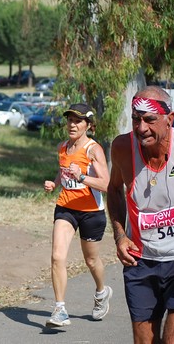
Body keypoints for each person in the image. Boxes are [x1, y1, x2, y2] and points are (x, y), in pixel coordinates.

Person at [107, 85, 174, 343]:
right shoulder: (122, 148)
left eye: (150, 119)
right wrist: (119, 236)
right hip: (140, 260)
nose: (141, 128)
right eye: (136, 119)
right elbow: (114, 190)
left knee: (172, 340)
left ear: (169, 118)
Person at [44, 103, 112, 327]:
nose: (72, 124)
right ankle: (60, 309)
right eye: (70, 120)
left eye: (78, 121)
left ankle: (102, 292)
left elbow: (105, 184)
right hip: (66, 207)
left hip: (91, 212)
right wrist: (54, 183)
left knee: (91, 260)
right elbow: (63, 170)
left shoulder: (94, 150)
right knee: (57, 256)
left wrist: (82, 176)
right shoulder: (63, 147)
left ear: (88, 125)